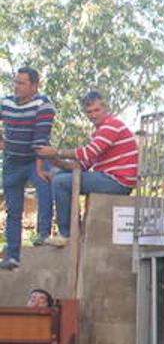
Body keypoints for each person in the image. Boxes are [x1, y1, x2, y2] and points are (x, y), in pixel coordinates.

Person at [36, 91, 139, 247]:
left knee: (61, 182)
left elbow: (88, 152)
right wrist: (54, 161)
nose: (93, 115)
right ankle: (70, 229)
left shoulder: (112, 126)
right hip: (105, 176)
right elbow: (82, 165)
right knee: (58, 175)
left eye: (96, 110)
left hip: (117, 181)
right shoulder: (98, 133)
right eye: (89, 112)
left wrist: (56, 151)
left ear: (105, 109)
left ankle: (68, 234)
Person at [1, 67, 55, 270]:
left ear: (34, 86)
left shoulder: (43, 104)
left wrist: (41, 169)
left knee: (45, 191)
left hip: (35, 160)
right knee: (13, 210)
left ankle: (43, 235)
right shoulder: (6, 102)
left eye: (22, 83)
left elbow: (41, 138)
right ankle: (13, 255)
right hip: (12, 162)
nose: (17, 86)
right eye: (16, 82)